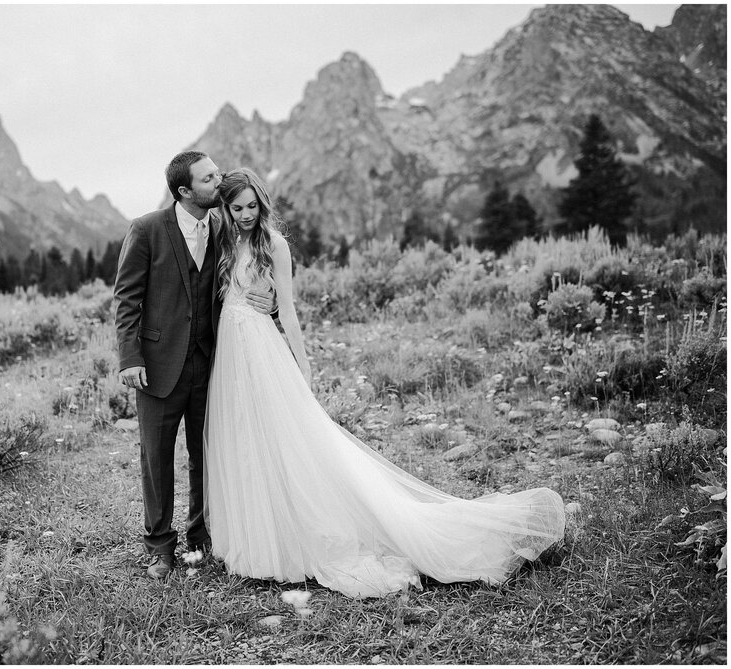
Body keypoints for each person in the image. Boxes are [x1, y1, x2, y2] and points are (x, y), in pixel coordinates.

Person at [204, 168, 566, 598]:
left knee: (290, 438)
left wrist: (302, 365)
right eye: (237, 207)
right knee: (247, 437)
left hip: (263, 350)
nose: (246, 215)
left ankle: (305, 530)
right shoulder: (221, 240)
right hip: (230, 353)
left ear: (261, 204)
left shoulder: (273, 244)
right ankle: (257, 531)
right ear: (224, 208)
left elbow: (291, 308)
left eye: (252, 206)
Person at [113, 151, 274, 580]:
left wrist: (270, 301)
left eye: (217, 173)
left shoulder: (224, 226)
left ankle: (200, 535)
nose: (218, 181)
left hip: (211, 361)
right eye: (209, 178)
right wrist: (130, 358)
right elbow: (127, 298)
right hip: (157, 365)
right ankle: (160, 545)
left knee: (206, 452)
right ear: (185, 190)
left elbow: (247, 276)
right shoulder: (146, 229)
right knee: (157, 457)